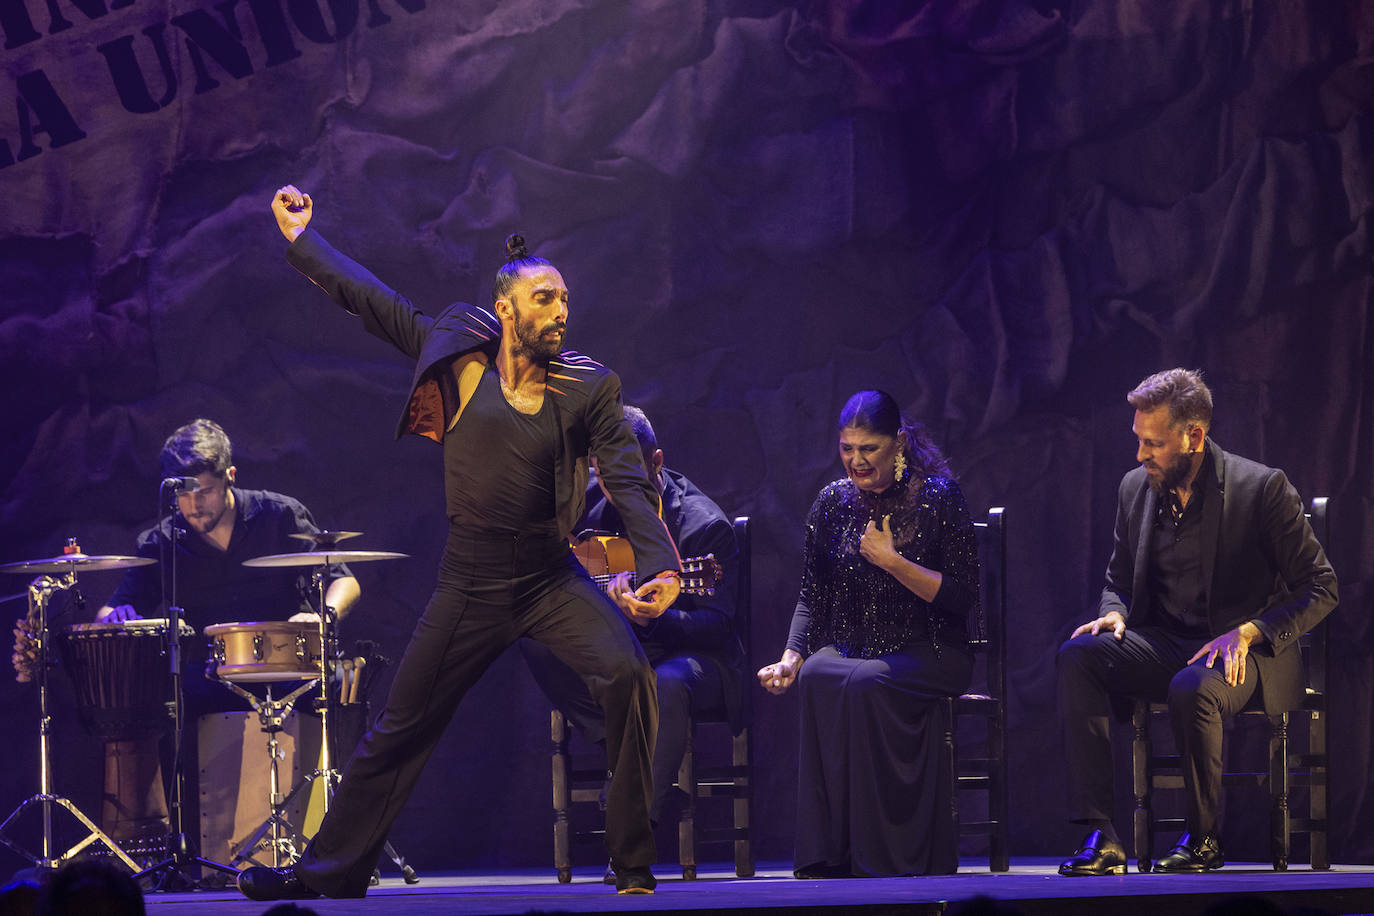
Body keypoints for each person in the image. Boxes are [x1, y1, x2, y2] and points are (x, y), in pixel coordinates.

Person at [238, 184, 681, 900]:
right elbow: (372, 300)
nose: (561, 311)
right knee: (401, 727)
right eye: (545, 300)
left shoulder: (589, 386)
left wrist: (662, 567)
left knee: (629, 677)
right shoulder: (460, 360)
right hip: (471, 581)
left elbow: (628, 481)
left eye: (565, 300)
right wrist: (302, 241)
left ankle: (631, 863)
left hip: (549, 578)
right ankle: (329, 872)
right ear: (505, 308)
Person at [1056, 368, 1337, 876]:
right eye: (1138, 440)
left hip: (1247, 653)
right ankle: (1102, 835)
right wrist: (1113, 612)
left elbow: (1322, 586)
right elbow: (1116, 578)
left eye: (1153, 443)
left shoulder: (1262, 488)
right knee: (1080, 655)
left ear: (1194, 437)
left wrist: (1252, 631)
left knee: (1193, 687)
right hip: (1167, 643)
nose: (1141, 454)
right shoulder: (1135, 488)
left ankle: (1204, 839)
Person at [757, 389, 979, 877]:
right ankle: (829, 854)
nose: (856, 461)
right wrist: (791, 657)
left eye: (869, 449)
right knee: (818, 673)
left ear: (898, 442)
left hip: (932, 648)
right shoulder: (833, 503)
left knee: (864, 683)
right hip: (859, 645)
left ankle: (884, 855)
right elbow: (811, 595)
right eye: (847, 449)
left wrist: (892, 562)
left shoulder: (939, 498)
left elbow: (962, 597)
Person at [520, 405, 745, 878]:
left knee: (664, 683)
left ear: (656, 463)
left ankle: (631, 838)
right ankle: (626, 750)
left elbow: (720, 625)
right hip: (625, 658)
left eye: (628, 473)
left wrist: (654, 618)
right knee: (536, 638)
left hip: (696, 661)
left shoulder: (703, 525)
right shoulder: (589, 509)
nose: (614, 487)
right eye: (604, 474)